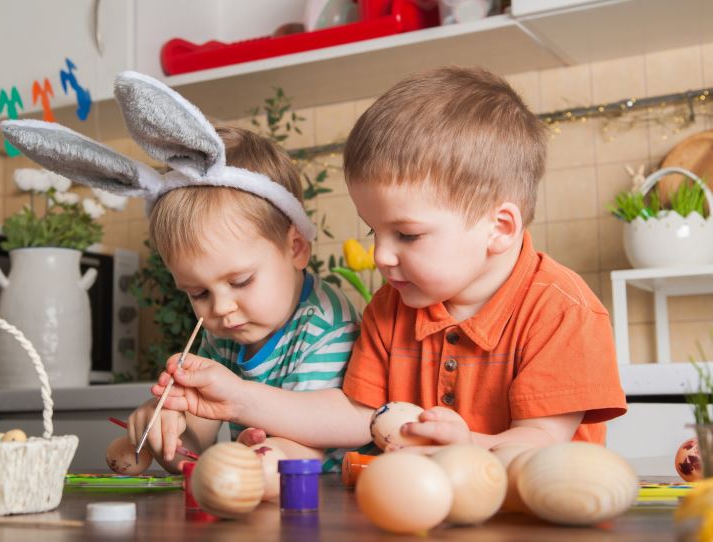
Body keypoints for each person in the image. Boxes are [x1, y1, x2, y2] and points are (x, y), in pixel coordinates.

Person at [152, 66, 627, 453]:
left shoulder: (562, 312)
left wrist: (466, 446)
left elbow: (542, 442)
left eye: (407, 234)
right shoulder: (389, 308)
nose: (381, 255)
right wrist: (239, 398)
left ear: (498, 229)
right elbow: (356, 418)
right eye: (373, 230)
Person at [127, 125, 363, 472]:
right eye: (199, 293)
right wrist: (169, 429)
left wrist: (247, 455)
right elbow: (195, 444)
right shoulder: (222, 334)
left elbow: (314, 446)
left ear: (295, 248)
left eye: (241, 281)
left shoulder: (327, 324)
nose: (220, 308)